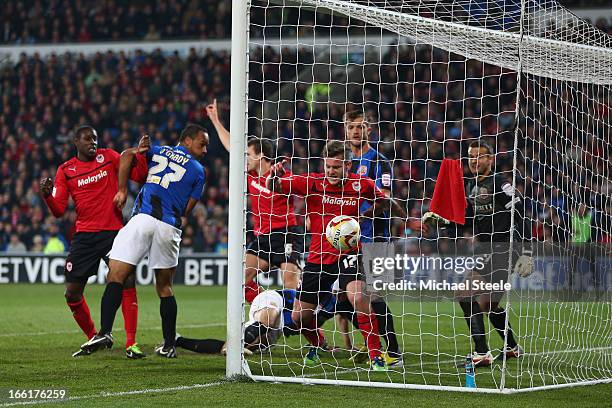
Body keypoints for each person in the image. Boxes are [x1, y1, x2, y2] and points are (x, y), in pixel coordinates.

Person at [79, 125, 208, 359]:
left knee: (116, 274)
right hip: (169, 226)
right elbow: (187, 209)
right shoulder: (199, 170)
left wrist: (122, 189)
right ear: (187, 141)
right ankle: (169, 345)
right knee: (165, 287)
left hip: (144, 218)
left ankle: (105, 332)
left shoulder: (157, 151)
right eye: (202, 143)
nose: (206, 149)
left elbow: (127, 155)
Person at [268, 140, 394, 371]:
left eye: (336, 167)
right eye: (328, 166)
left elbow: (384, 202)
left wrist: (366, 215)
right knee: (299, 317)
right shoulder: (313, 182)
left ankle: (376, 355)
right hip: (318, 257)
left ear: (347, 165)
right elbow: (274, 186)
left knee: (358, 297)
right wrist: (273, 175)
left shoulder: (361, 184)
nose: (330, 171)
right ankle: (318, 345)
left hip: (350, 252)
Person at [39, 125, 148, 358]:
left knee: (127, 280)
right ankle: (94, 336)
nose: (93, 142)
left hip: (113, 233)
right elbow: (58, 210)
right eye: (88, 139)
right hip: (85, 236)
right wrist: (48, 196)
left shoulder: (109, 157)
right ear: (75, 141)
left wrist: (141, 156)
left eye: (95, 138)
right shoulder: (66, 170)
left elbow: (138, 176)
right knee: (72, 294)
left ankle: (131, 344)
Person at [424, 140, 531, 367]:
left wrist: (527, 252)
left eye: (479, 156)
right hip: (489, 251)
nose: (474, 161)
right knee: (488, 305)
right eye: (471, 157)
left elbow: (521, 213)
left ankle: (481, 353)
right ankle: (512, 347)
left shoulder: (500, 183)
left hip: (504, 249)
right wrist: (441, 223)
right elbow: (468, 222)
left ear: (490, 159)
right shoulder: (472, 187)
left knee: (463, 294)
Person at [206, 99, 302, 303]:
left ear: (262, 157)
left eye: (249, 155)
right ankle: (267, 308)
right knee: (240, 280)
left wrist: (276, 178)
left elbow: (296, 190)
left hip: (285, 234)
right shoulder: (251, 175)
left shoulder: (282, 177)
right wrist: (215, 120)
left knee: (291, 281)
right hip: (263, 238)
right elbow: (232, 146)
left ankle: (314, 333)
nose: (245, 158)